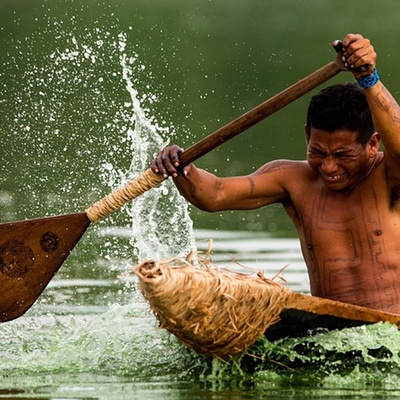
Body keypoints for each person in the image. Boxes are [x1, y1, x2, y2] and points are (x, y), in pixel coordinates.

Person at [151, 33, 400, 314]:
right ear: (307, 136)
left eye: (343, 156)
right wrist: (182, 167)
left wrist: (369, 79)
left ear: (372, 144)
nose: (329, 167)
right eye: (318, 152)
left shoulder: (389, 176)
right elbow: (215, 194)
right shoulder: (292, 180)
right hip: (330, 335)